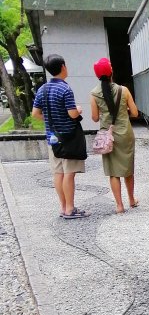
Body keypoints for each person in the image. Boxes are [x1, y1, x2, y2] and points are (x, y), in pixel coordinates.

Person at [31, 54, 89, 219]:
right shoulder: (65, 88)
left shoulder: (42, 89)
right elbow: (72, 114)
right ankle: (70, 209)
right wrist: (78, 109)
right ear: (63, 66)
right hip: (68, 138)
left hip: (52, 138)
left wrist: (49, 119)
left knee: (58, 173)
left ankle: (63, 207)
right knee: (69, 173)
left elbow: (35, 113)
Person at [89, 58, 140, 214]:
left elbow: (95, 118)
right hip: (125, 134)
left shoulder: (94, 94)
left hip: (107, 136)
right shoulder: (123, 90)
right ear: (111, 72)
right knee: (127, 169)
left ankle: (119, 206)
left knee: (113, 172)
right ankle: (131, 200)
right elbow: (135, 113)